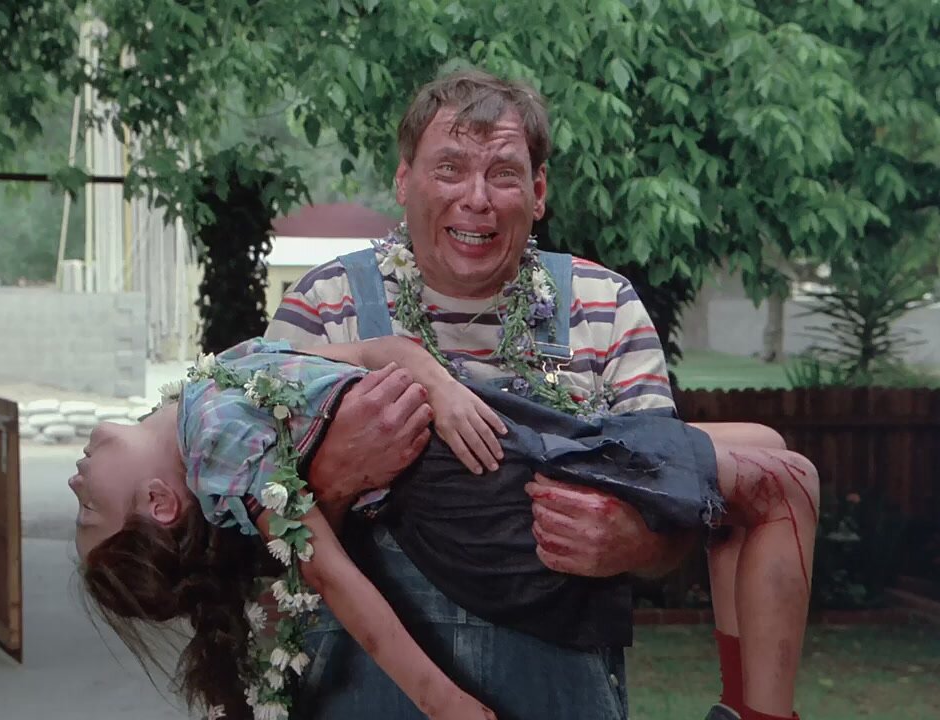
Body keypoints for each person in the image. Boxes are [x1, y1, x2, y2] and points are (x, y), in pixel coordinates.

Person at [264, 69, 816, 720]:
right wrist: (337, 482)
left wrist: (637, 542)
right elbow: (251, 539)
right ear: (404, 180)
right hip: (362, 689)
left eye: (503, 173)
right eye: (450, 169)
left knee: (769, 459)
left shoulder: (605, 304)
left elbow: (678, 498)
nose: (477, 198)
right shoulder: (323, 307)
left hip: (564, 685)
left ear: (539, 191)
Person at [75, 332, 816, 720]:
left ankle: (740, 705)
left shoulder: (218, 382)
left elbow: (376, 351)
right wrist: (442, 701)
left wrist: (440, 387)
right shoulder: (218, 451)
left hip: (484, 425)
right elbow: (330, 577)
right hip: (475, 484)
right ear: (161, 503)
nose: (76, 480)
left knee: (767, 450)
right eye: (89, 511)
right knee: (790, 483)